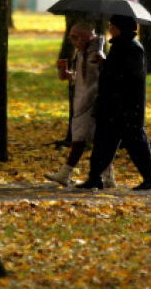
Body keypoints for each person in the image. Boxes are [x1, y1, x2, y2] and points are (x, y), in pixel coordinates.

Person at [76, 14, 151, 191]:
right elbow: (118, 69)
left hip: (126, 106)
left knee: (136, 143)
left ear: (120, 28)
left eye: (112, 26)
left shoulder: (132, 48)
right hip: (114, 105)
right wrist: (104, 63)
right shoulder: (122, 46)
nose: (110, 30)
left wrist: (108, 68)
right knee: (104, 142)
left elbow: (129, 77)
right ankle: (95, 177)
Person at [44, 22, 114, 188]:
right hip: (82, 102)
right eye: (72, 40)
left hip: (89, 103)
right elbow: (83, 77)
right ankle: (108, 174)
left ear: (86, 39)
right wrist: (68, 75)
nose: (74, 43)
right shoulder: (81, 54)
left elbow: (98, 81)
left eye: (77, 39)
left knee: (83, 140)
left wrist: (87, 98)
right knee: (92, 141)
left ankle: (65, 173)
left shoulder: (95, 55)